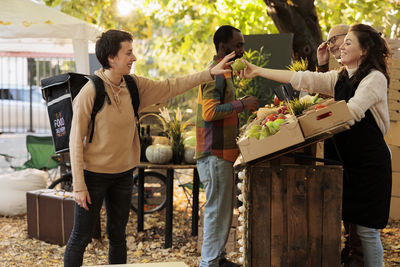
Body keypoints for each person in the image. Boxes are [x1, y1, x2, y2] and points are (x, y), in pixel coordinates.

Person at [64, 29, 236, 267]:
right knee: (81, 237)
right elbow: (75, 140)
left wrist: (208, 74)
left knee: (118, 237)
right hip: (93, 176)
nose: (133, 57)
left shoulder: (134, 86)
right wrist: (79, 185)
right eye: (128, 53)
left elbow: (171, 86)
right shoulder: (91, 91)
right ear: (111, 58)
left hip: (123, 174)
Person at [240, 24, 392, 267]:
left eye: (348, 43)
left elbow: (351, 112)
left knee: (367, 232)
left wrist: (312, 119)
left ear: (364, 51)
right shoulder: (341, 76)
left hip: (370, 165)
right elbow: (303, 79)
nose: (341, 47)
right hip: (348, 162)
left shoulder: (374, 78)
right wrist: (258, 71)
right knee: (351, 228)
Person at [195, 25, 259, 267]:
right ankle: (209, 262)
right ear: (223, 47)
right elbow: (210, 112)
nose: (242, 49)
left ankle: (217, 259)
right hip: (214, 153)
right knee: (216, 211)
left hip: (221, 153)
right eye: (238, 45)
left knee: (222, 211)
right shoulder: (216, 74)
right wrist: (243, 105)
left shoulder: (226, 73)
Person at [317, 23, 364, 266]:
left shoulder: (363, 73)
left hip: (356, 149)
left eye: (334, 39)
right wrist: (322, 64)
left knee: (356, 204)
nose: (330, 45)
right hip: (338, 147)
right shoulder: (340, 72)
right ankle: (350, 249)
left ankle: (358, 254)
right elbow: (322, 100)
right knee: (344, 201)